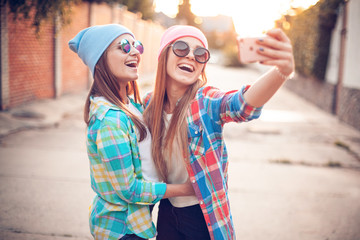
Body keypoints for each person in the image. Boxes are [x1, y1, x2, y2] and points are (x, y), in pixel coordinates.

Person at [143, 25, 295, 240]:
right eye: (180, 47)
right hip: (167, 210)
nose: (190, 56)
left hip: (202, 214)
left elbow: (242, 105)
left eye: (200, 53)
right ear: (163, 54)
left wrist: (282, 72)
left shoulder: (205, 101)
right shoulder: (149, 104)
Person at [68, 24, 195, 240]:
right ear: (99, 62)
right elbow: (129, 190)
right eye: (124, 46)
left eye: (137, 45)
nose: (135, 51)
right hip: (121, 230)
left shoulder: (133, 106)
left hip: (137, 223)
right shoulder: (110, 120)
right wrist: (186, 189)